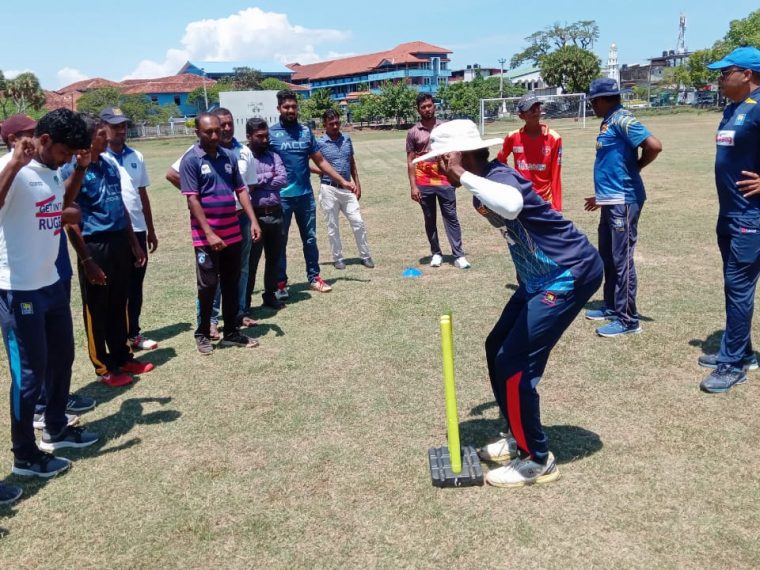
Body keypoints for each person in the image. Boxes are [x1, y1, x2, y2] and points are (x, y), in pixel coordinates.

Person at [418, 119, 603, 488]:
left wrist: (460, 173)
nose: (438, 166)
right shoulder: (482, 185)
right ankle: (517, 435)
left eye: (442, 159)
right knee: (496, 346)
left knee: (514, 362)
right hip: (537, 278)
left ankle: (537, 459)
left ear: (459, 156)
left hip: (568, 272)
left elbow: (513, 204)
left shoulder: (500, 178)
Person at [0, 109, 99, 493]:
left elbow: (61, 204)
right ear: (44, 140)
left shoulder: (53, 169)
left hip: (50, 282)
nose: (66, 157)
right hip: (17, 288)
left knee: (62, 357)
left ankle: (56, 427)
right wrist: (14, 165)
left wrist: (79, 170)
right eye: (64, 152)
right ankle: (25, 454)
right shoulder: (12, 166)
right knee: (29, 375)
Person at [63, 114, 154, 387]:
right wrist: (87, 260)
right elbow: (70, 221)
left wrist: (134, 242)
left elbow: (120, 206)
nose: (107, 138)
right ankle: (104, 367)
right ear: (88, 138)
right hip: (95, 245)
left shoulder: (109, 164)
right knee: (97, 308)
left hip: (119, 242)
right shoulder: (72, 171)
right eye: (102, 134)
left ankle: (122, 357)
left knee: (119, 302)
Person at [699, 47, 760, 393]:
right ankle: (742, 350)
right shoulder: (733, 108)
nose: (720, 79)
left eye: (726, 73)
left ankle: (733, 363)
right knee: (734, 286)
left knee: (739, 287)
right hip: (730, 213)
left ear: (747, 74)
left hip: (751, 216)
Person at [167, 107, 260, 333]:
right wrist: (207, 226)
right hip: (207, 232)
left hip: (235, 227)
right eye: (210, 131)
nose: (217, 134)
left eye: (221, 129)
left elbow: (242, 189)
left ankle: (233, 325)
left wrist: (253, 220)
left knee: (234, 277)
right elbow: (189, 194)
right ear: (198, 132)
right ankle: (206, 326)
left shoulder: (232, 155)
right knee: (209, 283)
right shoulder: (192, 158)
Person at [583, 78, 662, 337]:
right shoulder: (609, 121)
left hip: (624, 200)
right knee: (608, 255)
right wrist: (601, 197)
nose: (592, 106)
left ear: (604, 99)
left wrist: (636, 168)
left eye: (594, 101)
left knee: (621, 259)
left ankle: (628, 320)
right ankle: (611, 306)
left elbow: (654, 146)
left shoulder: (623, 119)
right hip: (610, 199)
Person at [268, 89, 356, 297]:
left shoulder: (305, 132)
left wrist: (343, 181)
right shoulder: (271, 134)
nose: (290, 110)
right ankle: (280, 284)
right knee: (280, 242)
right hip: (281, 198)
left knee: (310, 239)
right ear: (279, 108)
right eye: (286, 107)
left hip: (305, 197)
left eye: (293, 106)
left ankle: (314, 278)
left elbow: (321, 161)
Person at [100, 107, 159, 351]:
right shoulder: (98, 158)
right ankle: (114, 337)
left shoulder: (136, 156)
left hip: (137, 229)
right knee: (115, 288)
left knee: (135, 285)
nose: (121, 130)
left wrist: (150, 229)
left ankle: (133, 333)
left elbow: (142, 194)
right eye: (115, 126)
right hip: (112, 232)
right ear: (102, 128)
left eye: (123, 125)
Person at [406, 93, 470, 269]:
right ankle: (436, 253)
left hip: (444, 179)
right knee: (429, 218)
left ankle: (459, 255)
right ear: (418, 110)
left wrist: (456, 175)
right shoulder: (413, 132)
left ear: (434, 106)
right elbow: (410, 161)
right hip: (424, 180)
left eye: (429, 105)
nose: (427, 109)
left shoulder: (445, 128)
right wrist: (413, 186)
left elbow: (456, 152)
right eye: (423, 107)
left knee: (451, 217)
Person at [313, 109, 374, 270]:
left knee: (358, 222)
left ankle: (365, 255)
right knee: (332, 226)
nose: (335, 126)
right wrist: (322, 171)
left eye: (337, 122)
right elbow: (305, 162)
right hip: (329, 189)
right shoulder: (319, 143)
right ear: (324, 124)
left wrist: (357, 184)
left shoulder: (346, 139)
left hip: (348, 188)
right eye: (331, 123)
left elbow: (351, 162)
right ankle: (338, 258)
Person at [243, 118, 287, 311]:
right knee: (251, 262)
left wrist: (258, 181)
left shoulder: (273, 156)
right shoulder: (245, 158)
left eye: (266, 136)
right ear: (249, 136)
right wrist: (269, 176)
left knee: (274, 258)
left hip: (276, 214)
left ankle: (270, 295)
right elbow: (246, 184)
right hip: (255, 217)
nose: (265, 140)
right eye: (259, 136)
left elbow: (283, 179)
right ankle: (244, 303)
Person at [497, 92, 563, 211]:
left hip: (544, 200)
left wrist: (556, 207)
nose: (536, 111)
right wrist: (510, 179)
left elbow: (556, 175)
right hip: (521, 198)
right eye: (531, 109)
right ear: (521, 116)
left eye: (537, 107)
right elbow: (500, 160)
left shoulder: (554, 138)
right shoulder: (512, 137)